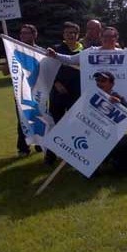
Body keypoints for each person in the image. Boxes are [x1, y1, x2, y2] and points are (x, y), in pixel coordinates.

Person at [93, 71, 127, 172]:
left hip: (114, 138)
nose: (99, 83)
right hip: (94, 138)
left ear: (112, 84)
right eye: (97, 80)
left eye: (103, 80)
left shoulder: (120, 99)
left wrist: (120, 105)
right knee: (92, 174)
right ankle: (100, 163)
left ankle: (120, 164)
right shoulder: (89, 96)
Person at [46, 21, 83, 165]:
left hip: (77, 93)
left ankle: (72, 156)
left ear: (78, 35)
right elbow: (47, 69)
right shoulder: (55, 49)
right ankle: (51, 156)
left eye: (74, 33)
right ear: (64, 35)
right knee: (56, 125)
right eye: (68, 33)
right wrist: (56, 83)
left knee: (75, 124)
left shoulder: (84, 50)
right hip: (58, 93)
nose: (71, 35)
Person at [9, 24, 42, 157]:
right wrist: (9, 58)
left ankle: (40, 143)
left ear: (34, 35)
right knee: (23, 120)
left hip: (39, 92)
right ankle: (23, 148)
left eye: (27, 33)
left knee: (40, 117)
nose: (23, 36)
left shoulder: (41, 52)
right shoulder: (15, 52)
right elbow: (5, 71)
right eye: (22, 33)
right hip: (22, 92)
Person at [47, 26, 122, 65]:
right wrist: (55, 55)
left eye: (111, 36)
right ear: (101, 38)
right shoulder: (92, 51)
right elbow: (71, 59)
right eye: (105, 36)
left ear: (116, 38)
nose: (108, 39)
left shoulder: (123, 54)